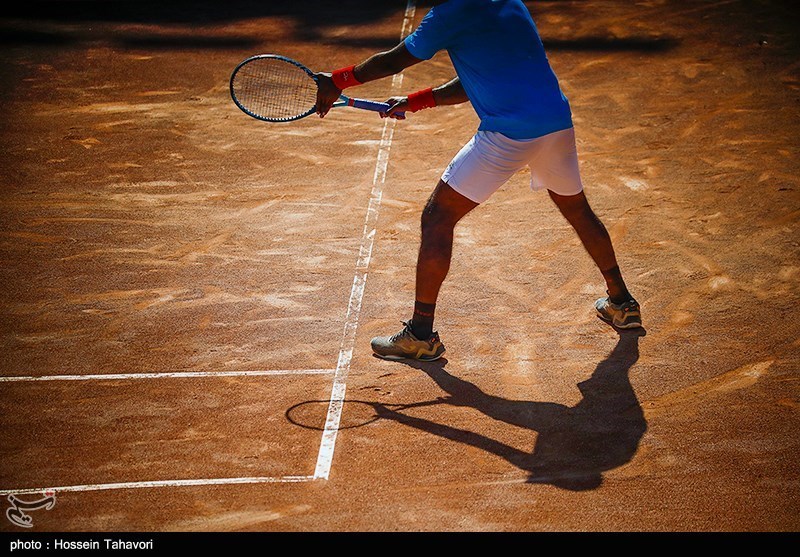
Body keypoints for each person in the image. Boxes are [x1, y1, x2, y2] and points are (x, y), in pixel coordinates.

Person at [315, 0, 642, 362]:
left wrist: (337, 80)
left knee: (437, 218)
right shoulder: (508, 2)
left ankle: (421, 334)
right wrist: (416, 101)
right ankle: (622, 302)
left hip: (508, 134)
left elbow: (395, 59)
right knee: (578, 211)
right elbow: (478, 78)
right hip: (555, 122)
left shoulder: (449, 13)